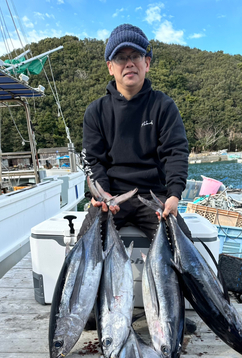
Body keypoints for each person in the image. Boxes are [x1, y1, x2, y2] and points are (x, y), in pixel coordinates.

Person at [78, 23, 192, 243]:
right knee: (83, 249)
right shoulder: (96, 111)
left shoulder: (164, 106)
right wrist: (102, 195)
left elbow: (176, 152)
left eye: (136, 56)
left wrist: (174, 194)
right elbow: (92, 160)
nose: (129, 63)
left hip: (153, 197)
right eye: (121, 57)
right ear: (110, 66)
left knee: (185, 249)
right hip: (111, 197)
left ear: (146, 63)